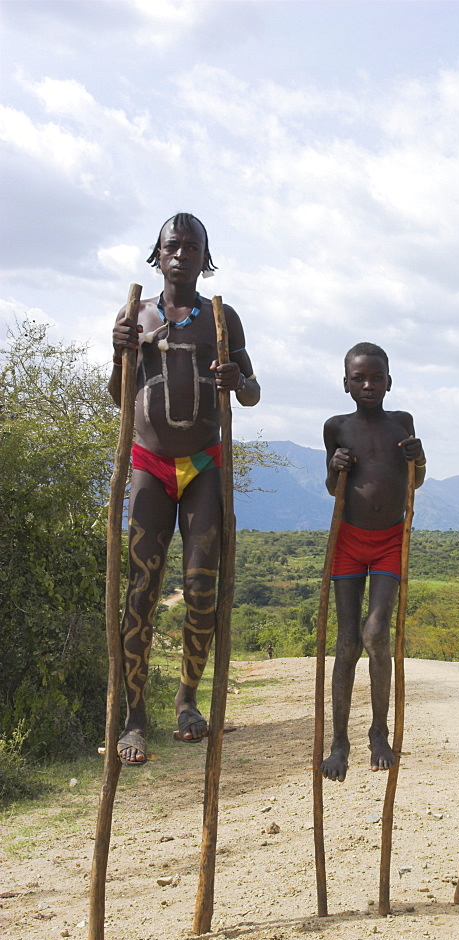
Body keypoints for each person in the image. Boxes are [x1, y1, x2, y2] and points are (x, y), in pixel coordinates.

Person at [109, 213, 260, 764]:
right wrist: (123, 348)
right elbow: (117, 396)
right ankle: (133, 717)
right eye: (172, 246)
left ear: (204, 257)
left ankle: (188, 701)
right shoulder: (136, 314)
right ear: (157, 253)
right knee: (141, 591)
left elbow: (252, 392)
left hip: (204, 465)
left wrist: (237, 381)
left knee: (200, 588)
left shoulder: (221, 319)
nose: (180, 255)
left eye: (191, 247)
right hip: (150, 465)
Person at [320, 343, 426, 782]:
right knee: (346, 644)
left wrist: (417, 458)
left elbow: (415, 479)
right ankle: (339, 742)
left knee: (376, 634)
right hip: (347, 541)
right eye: (359, 378)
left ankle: (379, 733)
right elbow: (332, 487)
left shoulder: (401, 423)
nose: (368, 385)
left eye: (376, 377)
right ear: (345, 384)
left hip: (389, 542)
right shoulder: (336, 427)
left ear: (389, 380)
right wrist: (335, 465)